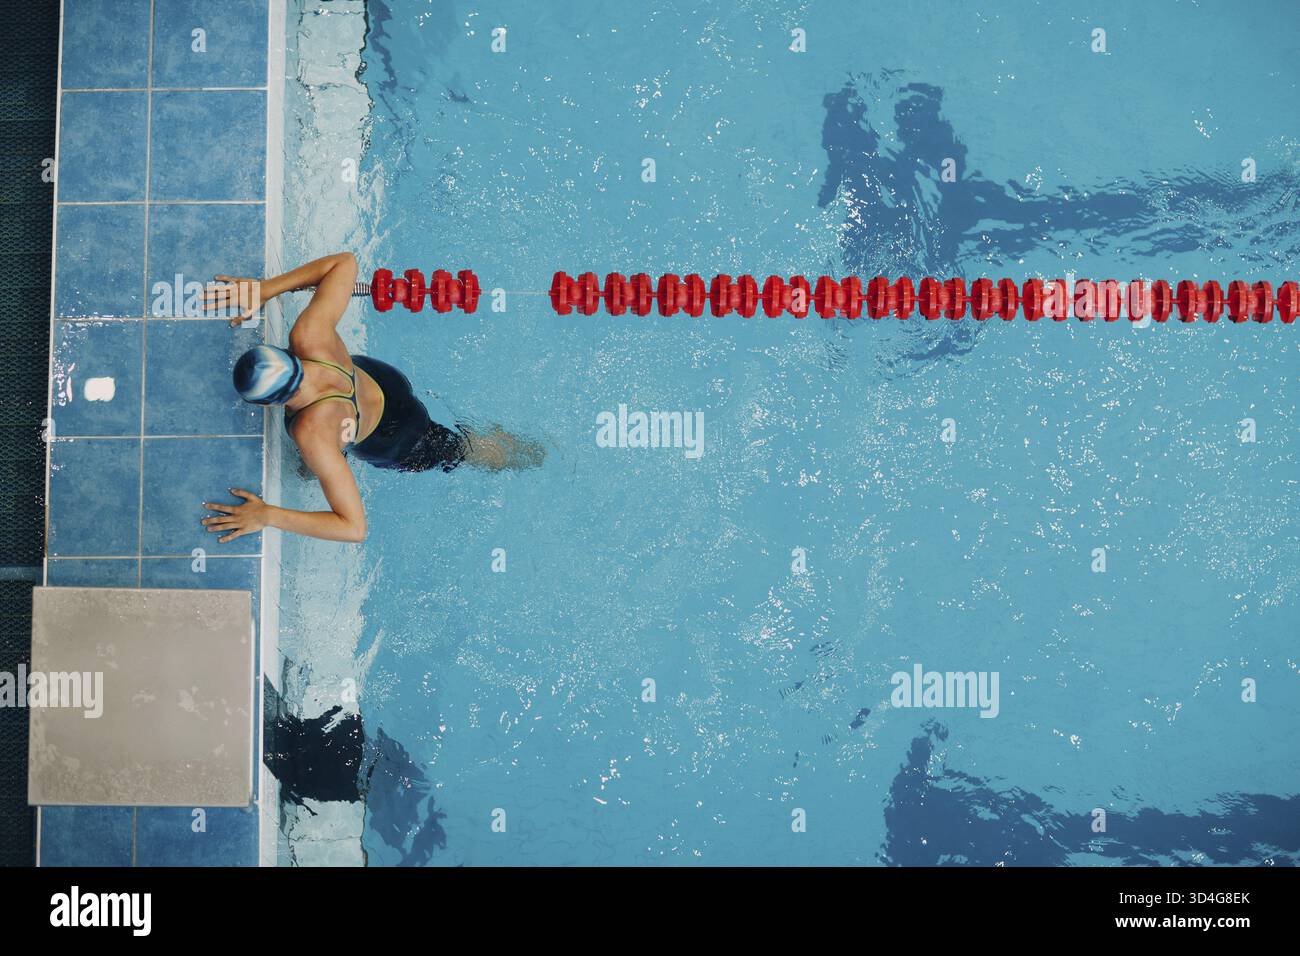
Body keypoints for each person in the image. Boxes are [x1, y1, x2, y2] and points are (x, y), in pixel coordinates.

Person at [200, 252, 543, 543]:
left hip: (397, 438)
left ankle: (526, 456)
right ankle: (520, 448)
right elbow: (345, 264)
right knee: (318, 460)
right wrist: (266, 289)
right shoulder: (309, 334)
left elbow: (354, 528)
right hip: (381, 381)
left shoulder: (312, 433)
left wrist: (267, 515)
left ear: (269, 404)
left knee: (460, 451)